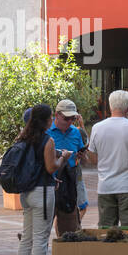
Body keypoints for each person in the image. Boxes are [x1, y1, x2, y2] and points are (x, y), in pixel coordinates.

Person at [14, 104, 72, 255]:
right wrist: (63, 157)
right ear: (47, 120)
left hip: (27, 192)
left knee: (27, 237)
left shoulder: (23, 138)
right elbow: (51, 167)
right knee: (40, 237)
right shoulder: (47, 140)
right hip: (43, 191)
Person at [85, 89, 128, 227]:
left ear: (110, 106)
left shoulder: (97, 127)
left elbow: (93, 159)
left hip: (105, 186)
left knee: (106, 230)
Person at [48, 99, 89, 236]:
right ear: (57, 115)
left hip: (71, 177)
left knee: (69, 218)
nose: (69, 122)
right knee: (47, 216)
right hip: (52, 177)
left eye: (72, 118)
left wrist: (81, 156)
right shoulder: (47, 132)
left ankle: (64, 240)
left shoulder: (76, 132)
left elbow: (84, 159)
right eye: (66, 118)